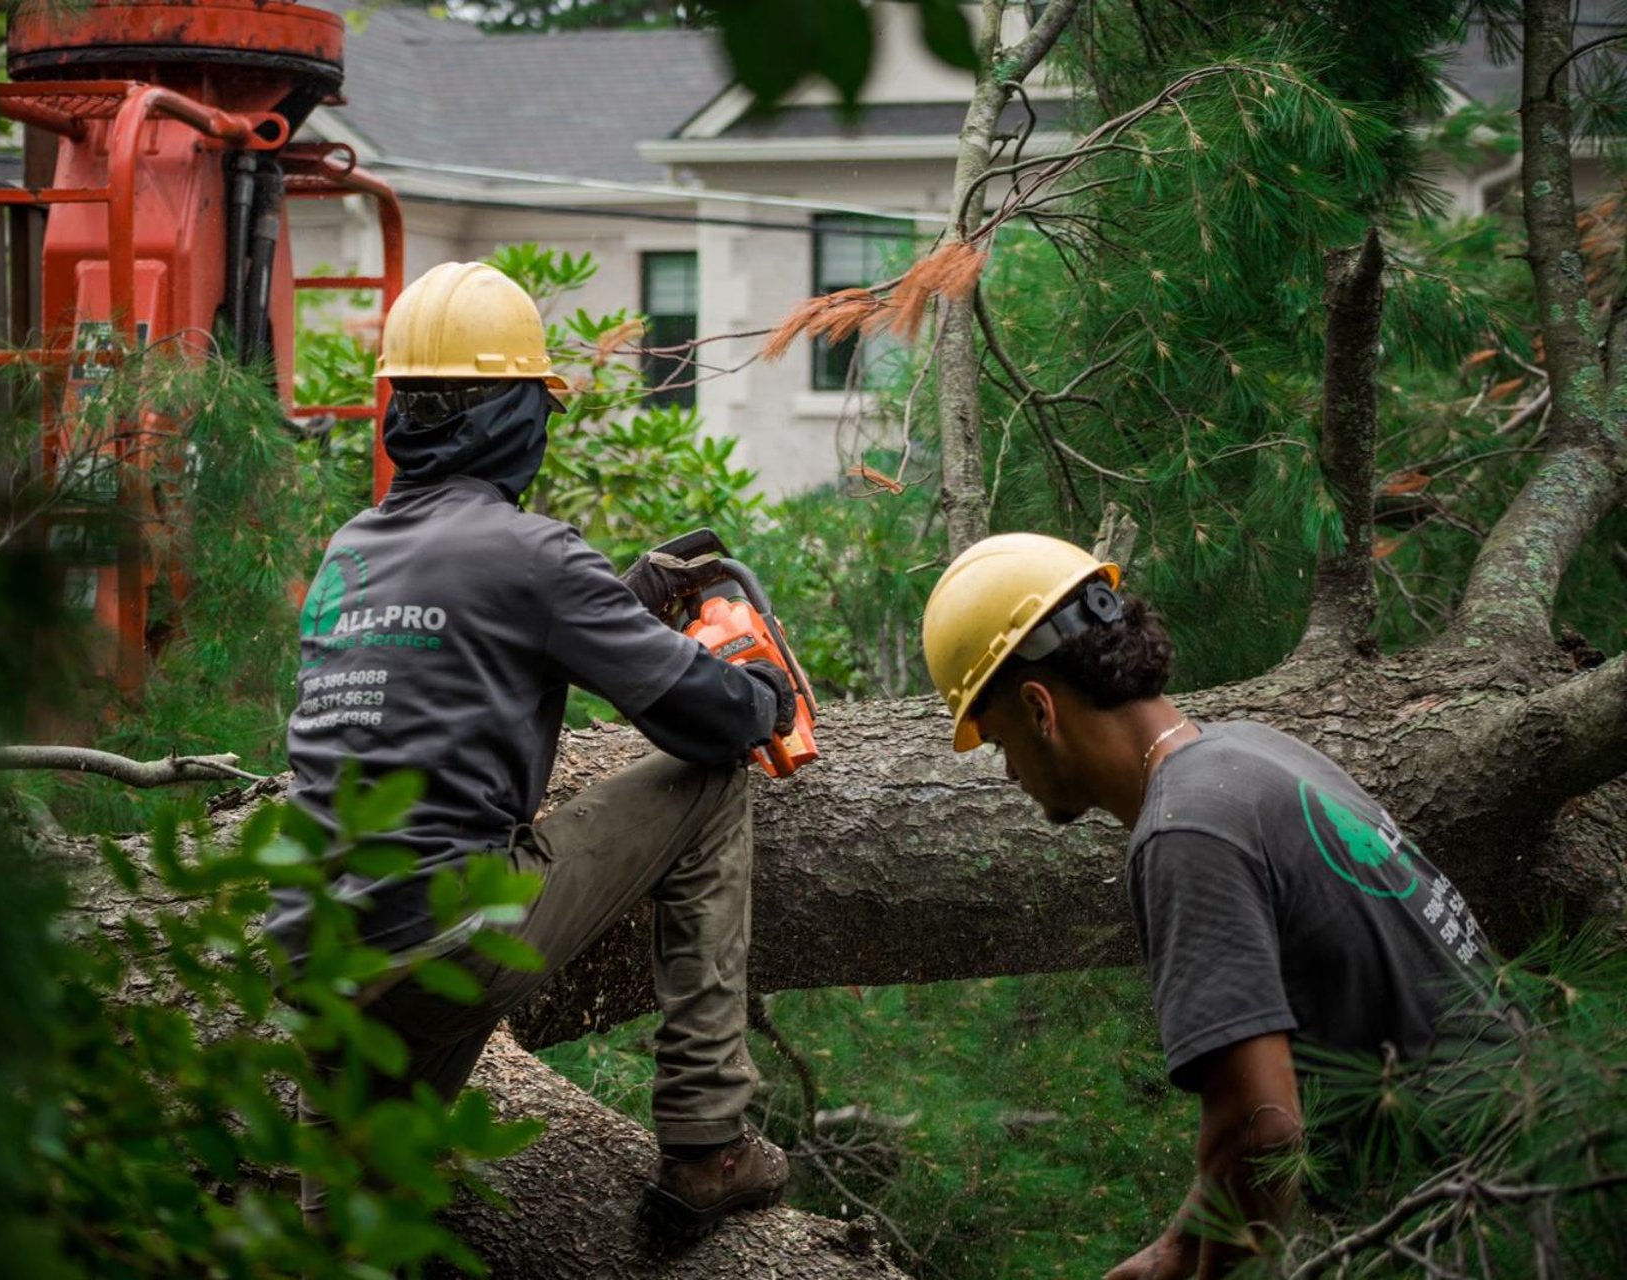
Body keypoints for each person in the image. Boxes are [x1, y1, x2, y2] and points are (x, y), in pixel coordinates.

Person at [267, 261, 795, 1236]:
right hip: (451, 930)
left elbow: (467, 652)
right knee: (714, 787)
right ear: (518, 413)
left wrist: (616, 599)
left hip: (322, 954)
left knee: (347, 1245)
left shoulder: (351, 551)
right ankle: (708, 1137)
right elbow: (704, 721)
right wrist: (760, 690)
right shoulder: (531, 553)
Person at [919, 533, 1490, 1279]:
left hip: (1461, 1229)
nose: (1009, 775)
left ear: (1038, 708)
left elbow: (1263, 1131)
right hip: (1534, 1168)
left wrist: (1177, 1265)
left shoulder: (1185, 830)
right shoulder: (1258, 752)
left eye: (996, 742)